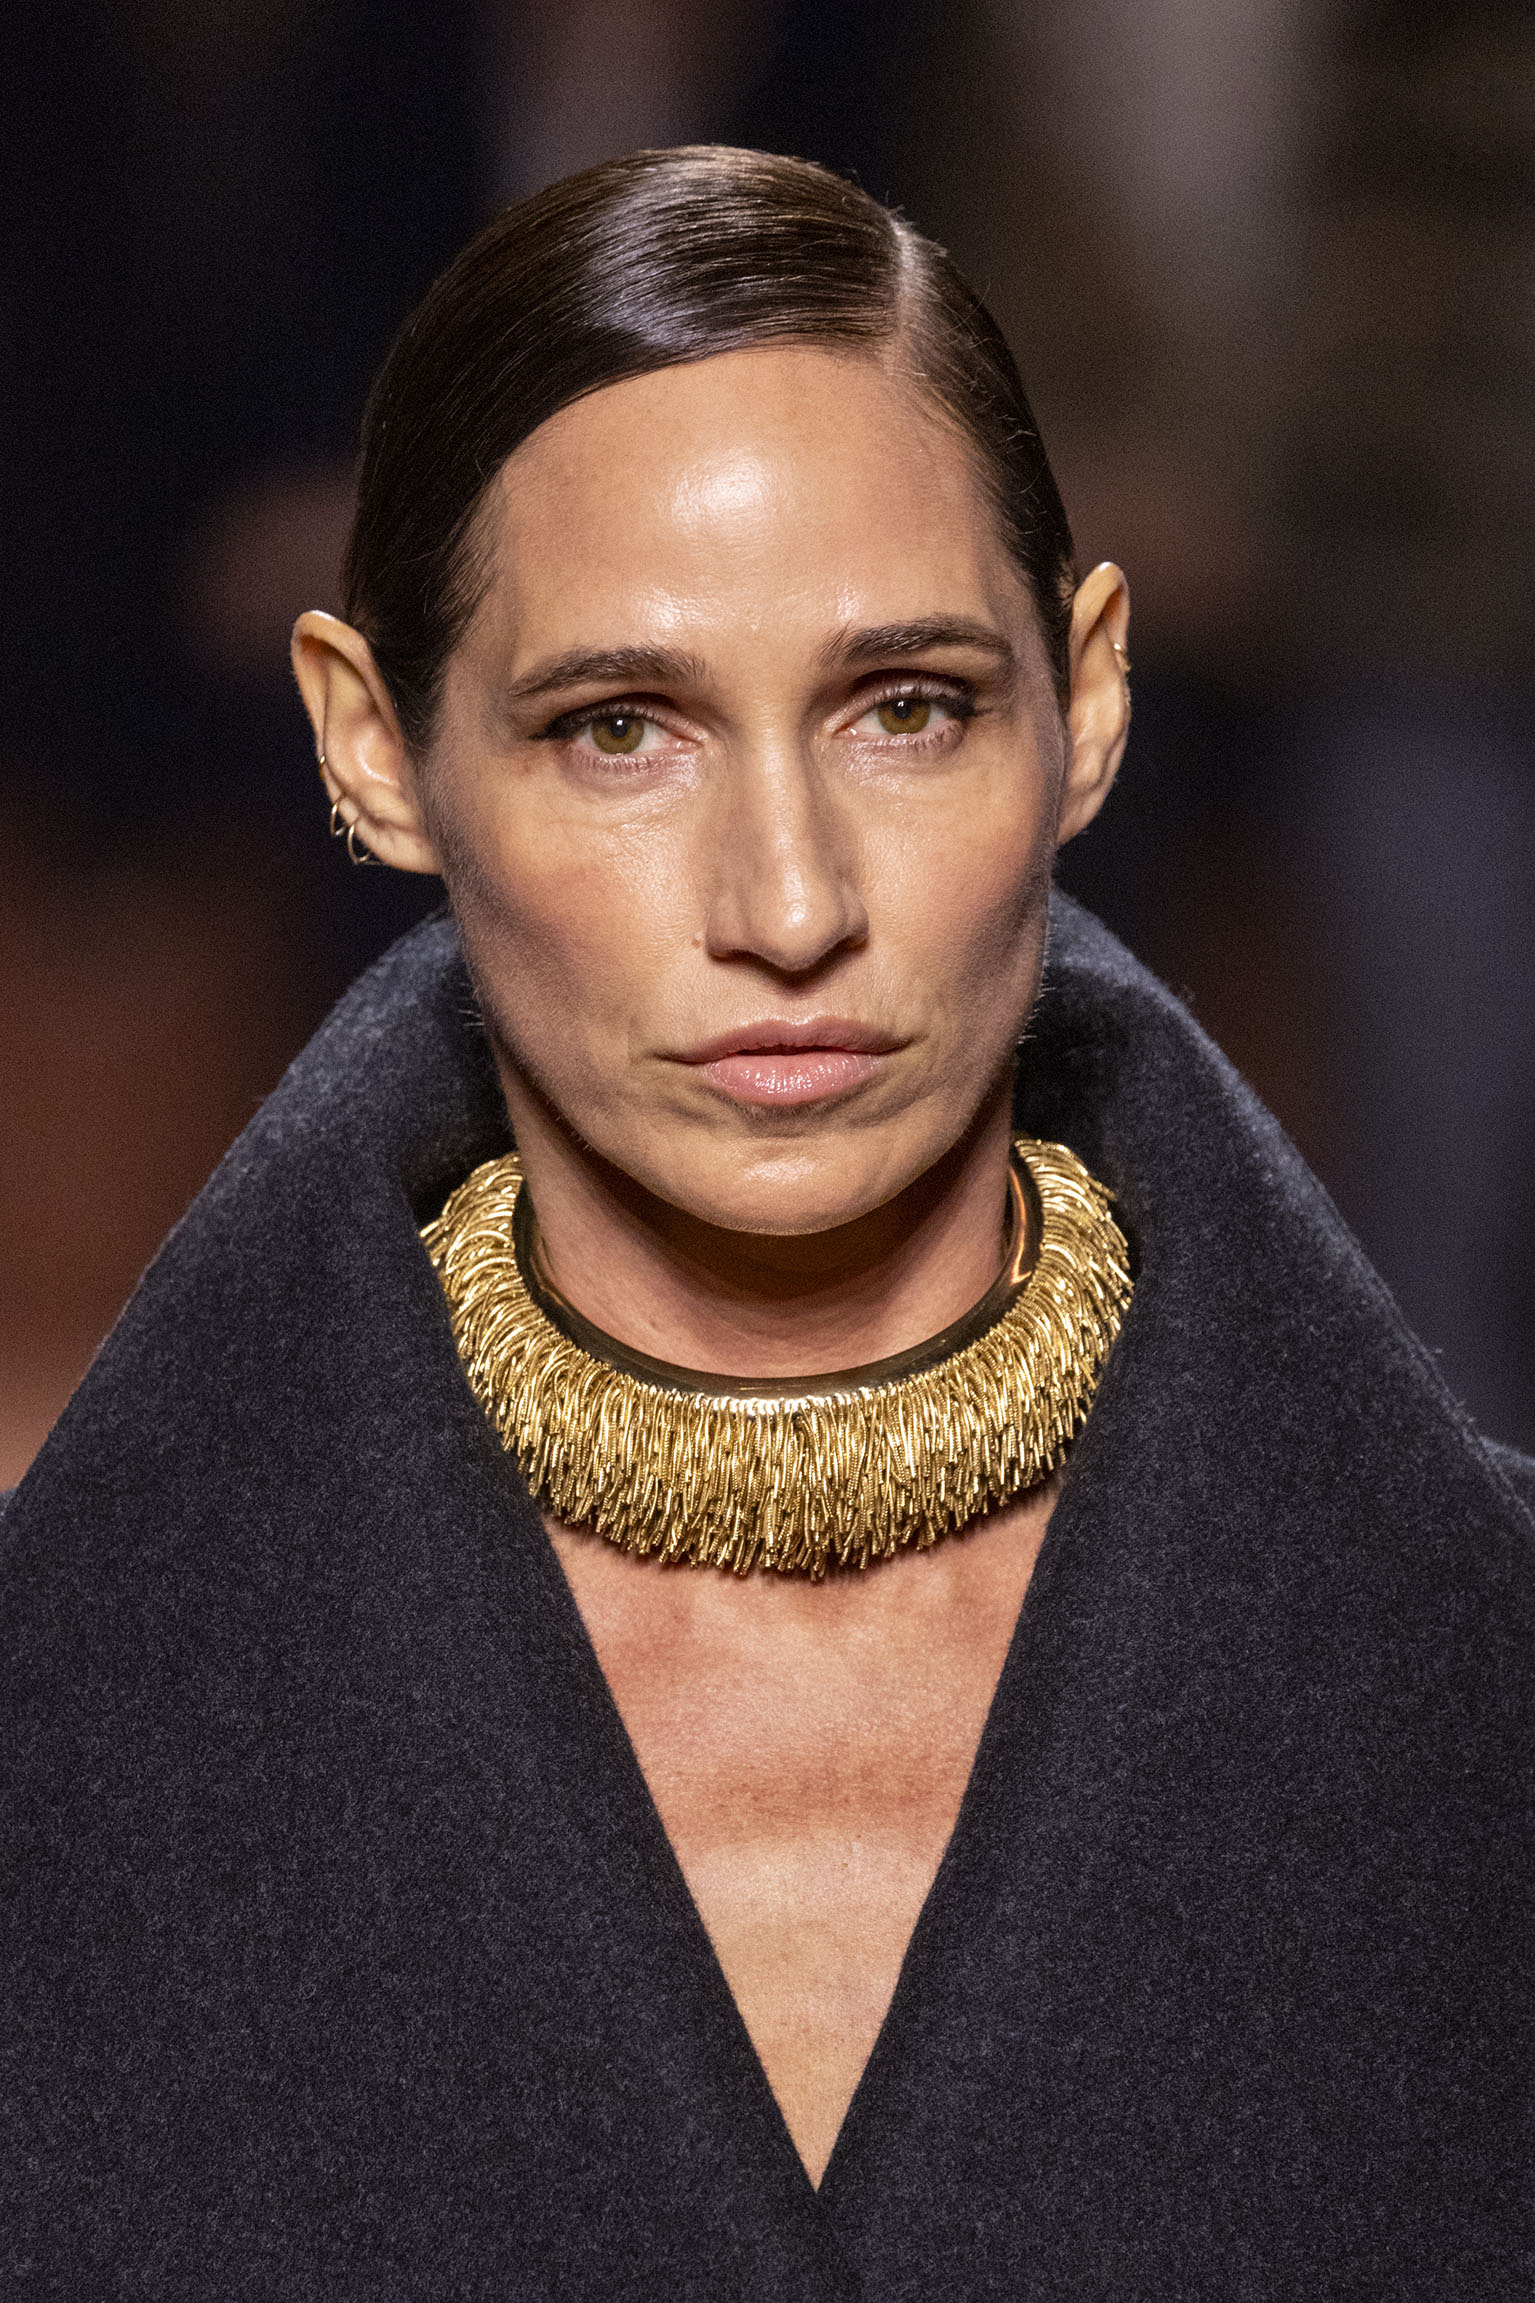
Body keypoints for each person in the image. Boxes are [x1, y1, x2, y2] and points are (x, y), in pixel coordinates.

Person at [3, 148, 1531, 2299]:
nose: (791, 904)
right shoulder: (73, 1732)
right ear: (375, 750)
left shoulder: (1474, 1687)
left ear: (1088, 701)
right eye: (619, 730)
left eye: (909, 708)